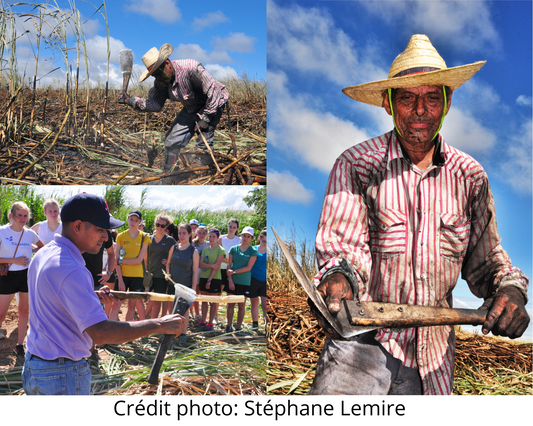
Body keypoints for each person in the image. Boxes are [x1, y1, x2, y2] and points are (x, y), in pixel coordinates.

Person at [309, 34, 530, 396]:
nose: (420, 111)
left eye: (431, 98)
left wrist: (509, 291)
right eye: (407, 98)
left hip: (434, 358)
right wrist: (338, 280)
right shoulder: (357, 165)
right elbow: (342, 249)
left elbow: (486, 260)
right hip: (360, 348)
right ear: (388, 103)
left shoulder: (469, 177)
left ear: (447, 101)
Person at [21, 193, 184, 395]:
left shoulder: (45, 253)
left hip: (36, 365)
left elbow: (55, 300)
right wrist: (159, 324)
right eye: (100, 229)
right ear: (78, 226)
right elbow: (101, 332)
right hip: (62, 374)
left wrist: (90, 295)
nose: (106, 237)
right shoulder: (72, 269)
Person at [118, 44, 229, 183]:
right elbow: (155, 104)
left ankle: (207, 175)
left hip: (212, 103)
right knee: (172, 141)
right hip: (191, 107)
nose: (158, 78)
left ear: (167, 63)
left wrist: (205, 118)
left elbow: (214, 92)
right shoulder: (161, 82)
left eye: (159, 73)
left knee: (202, 142)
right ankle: (170, 176)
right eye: (154, 75)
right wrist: (130, 100)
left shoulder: (191, 68)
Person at [0, 202, 44, 357]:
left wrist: (33, 253)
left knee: (23, 310)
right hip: (7, 277)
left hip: (26, 275)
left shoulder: (30, 234)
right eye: (20, 215)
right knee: (1, 312)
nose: (23, 218)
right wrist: (15, 260)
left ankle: (20, 345)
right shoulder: (2, 232)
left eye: (25, 216)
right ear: (11, 215)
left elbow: (42, 247)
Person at [109, 210, 151, 322]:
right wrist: (121, 280)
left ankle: (127, 333)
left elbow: (138, 260)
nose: (133, 222)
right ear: (127, 219)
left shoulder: (145, 237)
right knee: (115, 304)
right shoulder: (121, 237)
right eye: (131, 219)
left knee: (132, 305)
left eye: (136, 220)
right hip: (122, 275)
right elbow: (116, 260)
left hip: (137, 276)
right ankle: (110, 333)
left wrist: (122, 262)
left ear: (140, 223)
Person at [166, 223, 199, 344]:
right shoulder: (173, 248)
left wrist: (193, 288)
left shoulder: (193, 251)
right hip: (172, 285)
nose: (181, 236)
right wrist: (168, 273)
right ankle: (172, 332)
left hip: (186, 286)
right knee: (172, 308)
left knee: (184, 311)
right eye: (180, 233)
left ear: (190, 234)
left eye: (184, 233)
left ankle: (183, 334)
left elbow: (195, 271)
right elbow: (168, 263)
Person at [225, 226, 258, 332]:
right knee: (230, 305)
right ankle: (229, 326)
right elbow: (229, 265)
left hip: (244, 281)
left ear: (251, 238)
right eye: (244, 236)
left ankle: (238, 327)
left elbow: (248, 268)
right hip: (232, 281)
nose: (245, 238)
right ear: (241, 236)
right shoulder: (233, 249)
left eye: (248, 236)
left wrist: (234, 272)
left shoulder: (253, 251)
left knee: (241, 306)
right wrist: (230, 280)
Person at [145, 213, 176, 319]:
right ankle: (143, 321)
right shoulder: (148, 239)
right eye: (158, 225)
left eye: (163, 226)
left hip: (161, 275)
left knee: (157, 301)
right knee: (146, 299)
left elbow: (178, 255)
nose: (160, 227)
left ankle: (153, 324)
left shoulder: (170, 241)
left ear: (166, 227)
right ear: (155, 225)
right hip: (149, 274)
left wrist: (169, 261)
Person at [197, 228, 225, 331]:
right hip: (203, 277)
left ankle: (210, 323)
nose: (211, 238)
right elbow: (201, 264)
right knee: (204, 301)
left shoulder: (220, 250)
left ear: (218, 238)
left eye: (214, 236)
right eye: (210, 236)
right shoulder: (205, 250)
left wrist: (209, 280)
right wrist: (211, 265)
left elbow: (217, 267)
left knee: (213, 302)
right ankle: (203, 321)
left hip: (214, 279)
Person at [250, 229, 267, 329]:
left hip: (265, 281)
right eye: (263, 241)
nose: (265, 243)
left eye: (267, 242)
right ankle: (255, 324)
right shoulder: (253, 250)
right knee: (254, 303)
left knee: (265, 305)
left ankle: (266, 325)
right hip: (253, 279)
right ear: (259, 239)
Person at [192, 224, 209, 323]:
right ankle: (197, 314)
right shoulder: (193, 243)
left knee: (204, 293)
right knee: (195, 292)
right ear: (196, 233)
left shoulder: (208, 244)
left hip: (206, 271)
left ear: (206, 234)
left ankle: (204, 316)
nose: (201, 235)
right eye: (199, 233)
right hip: (196, 270)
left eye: (203, 233)